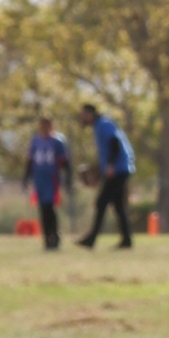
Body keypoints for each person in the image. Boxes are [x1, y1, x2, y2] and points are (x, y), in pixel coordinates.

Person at [79, 103, 135, 249]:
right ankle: (126, 240)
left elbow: (115, 143)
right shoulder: (99, 125)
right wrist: (100, 170)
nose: (82, 118)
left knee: (101, 202)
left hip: (118, 170)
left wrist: (110, 165)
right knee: (118, 206)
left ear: (89, 114)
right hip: (118, 169)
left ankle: (91, 239)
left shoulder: (103, 124)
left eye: (83, 115)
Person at [22, 117, 70, 250]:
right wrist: (26, 178)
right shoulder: (35, 141)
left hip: (52, 178)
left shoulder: (57, 141)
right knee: (42, 208)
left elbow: (65, 162)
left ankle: (54, 235)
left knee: (49, 207)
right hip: (39, 179)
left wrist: (68, 179)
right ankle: (47, 238)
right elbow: (30, 161)